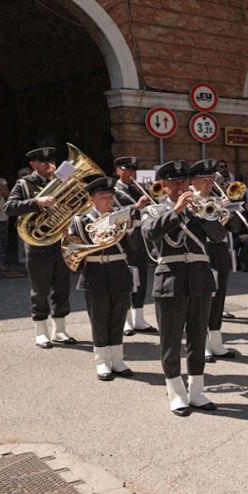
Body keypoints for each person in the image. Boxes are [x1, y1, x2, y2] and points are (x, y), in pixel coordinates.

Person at [141, 162, 218, 416]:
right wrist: (176, 211)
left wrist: (210, 214)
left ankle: (196, 391)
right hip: (170, 279)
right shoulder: (153, 210)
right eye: (173, 183)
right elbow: (150, 233)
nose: (179, 186)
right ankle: (176, 393)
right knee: (171, 342)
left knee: (198, 339)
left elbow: (218, 236)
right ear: (163, 186)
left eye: (183, 182)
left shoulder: (199, 208)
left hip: (200, 279)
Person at [5, 147, 76, 348]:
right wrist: (37, 201)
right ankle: (41, 332)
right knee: (40, 288)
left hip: (60, 242)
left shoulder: (61, 182)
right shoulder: (24, 184)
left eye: (50, 161)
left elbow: (74, 207)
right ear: (33, 164)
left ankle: (60, 330)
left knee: (62, 286)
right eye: (43, 162)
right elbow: (9, 208)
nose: (48, 165)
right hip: (38, 244)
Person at [68, 177, 135, 381]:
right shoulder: (81, 220)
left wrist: (130, 229)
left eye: (110, 196)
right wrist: (105, 224)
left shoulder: (121, 218)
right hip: (95, 271)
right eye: (103, 196)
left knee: (118, 317)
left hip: (119, 269)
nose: (108, 199)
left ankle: (117, 360)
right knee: (99, 319)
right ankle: (102, 362)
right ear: (91, 199)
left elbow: (133, 248)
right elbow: (79, 244)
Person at [189, 160, 239, 361]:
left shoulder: (218, 199)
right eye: (205, 180)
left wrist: (230, 209)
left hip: (219, 252)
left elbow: (235, 228)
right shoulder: (190, 201)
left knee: (218, 299)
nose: (210, 183)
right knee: (201, 300)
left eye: (212, 179)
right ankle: (201, 345)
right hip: (201, 252)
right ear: (194, 181)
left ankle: (216, 342)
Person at [111, 158, 156, 335]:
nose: (132, 174)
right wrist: (136, 206)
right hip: (125, 238)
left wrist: (148, 195)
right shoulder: (112, 190)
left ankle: (139, 317)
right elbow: (113, 213)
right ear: (118, 171)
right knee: (127, 279)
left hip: (141, 237)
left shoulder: (139, 188)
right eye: (128, 170)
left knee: (142, 278)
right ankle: (126, 320)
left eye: (134, 170)